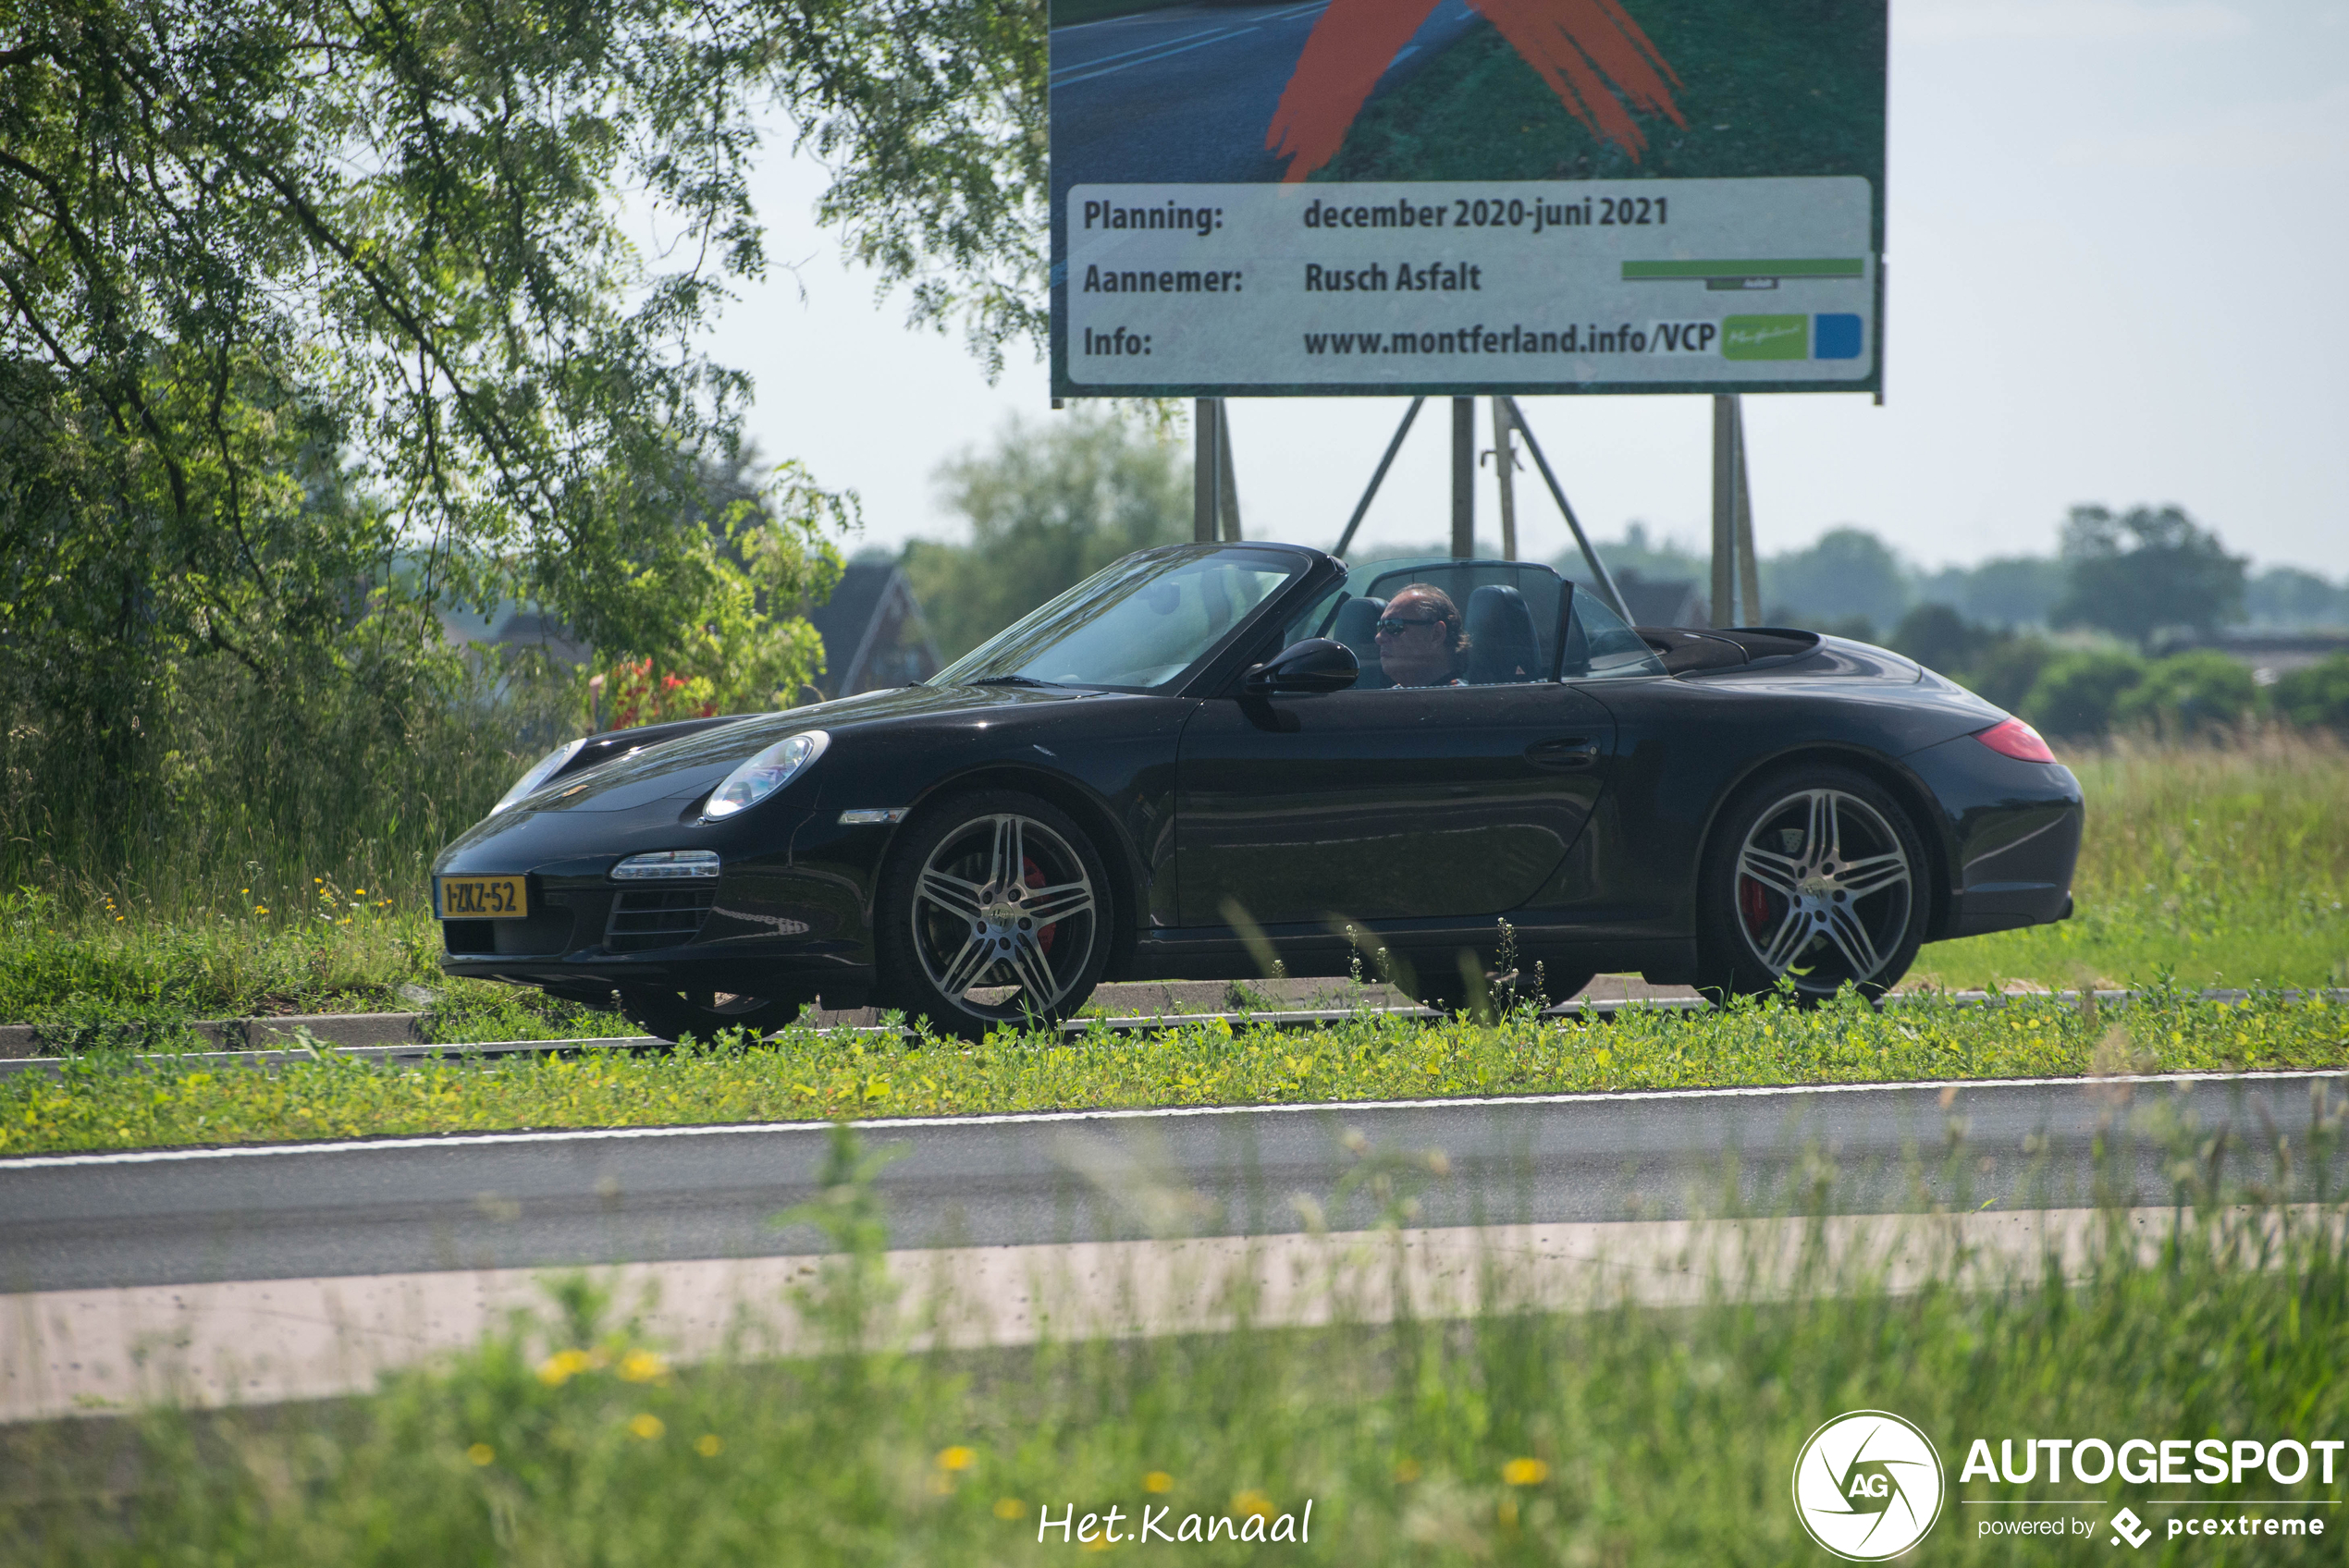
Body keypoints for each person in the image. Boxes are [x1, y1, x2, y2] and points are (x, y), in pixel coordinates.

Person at [1374, 584, 1470, 687]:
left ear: (1436, 634)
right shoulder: (1384, 700)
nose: (1378, 638)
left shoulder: (1466, 701)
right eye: (1380, 626)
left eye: (1393, 625)